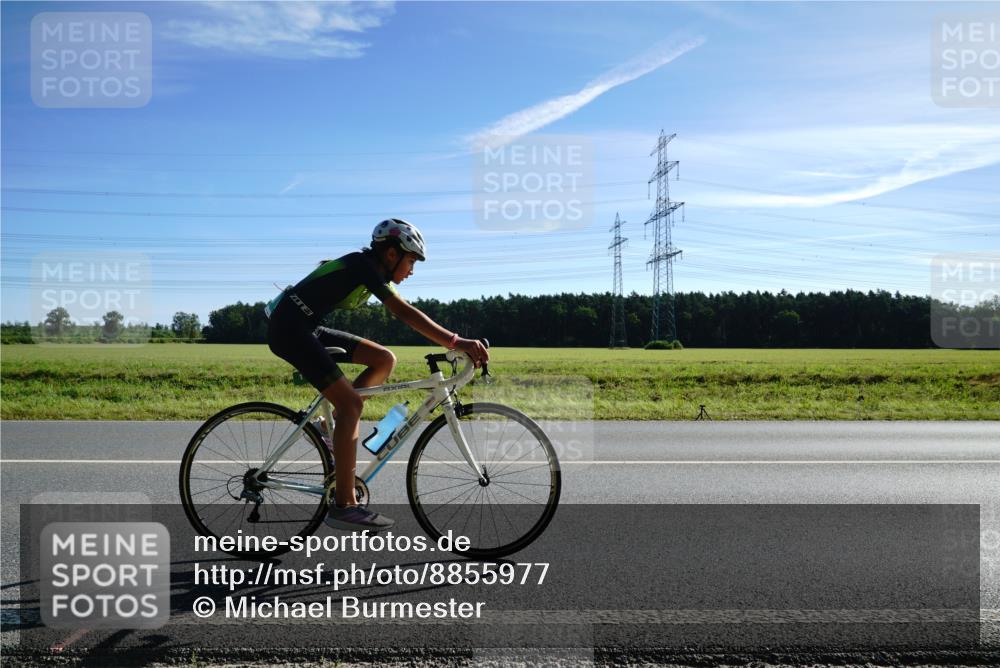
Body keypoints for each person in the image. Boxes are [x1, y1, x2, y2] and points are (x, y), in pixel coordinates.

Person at [266, 219, 489, 532]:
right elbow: (404, 312)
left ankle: (328, 431)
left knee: (384, 360)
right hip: (290, 330)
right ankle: (344, 504)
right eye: (411, 261)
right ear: (391, 255)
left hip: (307, 328)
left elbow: (406, 308)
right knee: (351, 406)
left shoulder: (370, 268)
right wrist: (457, 341)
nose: (412, 269)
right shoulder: (362, 265)